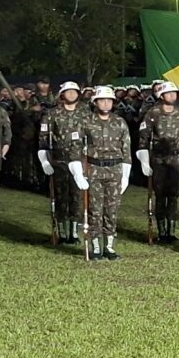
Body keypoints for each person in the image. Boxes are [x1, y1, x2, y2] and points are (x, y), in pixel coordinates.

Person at [69, 86, 131, 260]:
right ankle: (96, 247)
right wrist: (77, 173)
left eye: (109, 100)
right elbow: (75, 148)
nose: (105, 103)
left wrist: (126, 175)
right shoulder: (85, 121)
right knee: (95, 209)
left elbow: (126, 150)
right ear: (95, 102)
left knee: (111, 209)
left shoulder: (120, 122)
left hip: (115, 170)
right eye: (102, 100)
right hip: (94, 169)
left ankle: (109, 247)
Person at [137, 81, 179, 244]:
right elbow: (143, 138)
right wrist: (144, 160)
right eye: (168, 93)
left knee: (173, 196)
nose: (172, 96)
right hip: (158, 159)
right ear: (161, 96)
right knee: (160, 195)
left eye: (174, 93)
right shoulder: (152, 113)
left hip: (175, 159)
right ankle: (161, 232)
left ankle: (171, 231)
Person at [38, 81, 87, 244]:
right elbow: (43, 139)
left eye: (74, 91)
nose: (71, 94)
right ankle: (62, 231)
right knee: (61, 196)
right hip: (58, 160)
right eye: (68, 91)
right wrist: (44, 161)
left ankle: (74, 233)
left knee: (77, 196)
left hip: (80, 160)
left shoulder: (86, 113)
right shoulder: (52, 114)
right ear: (62, 95)